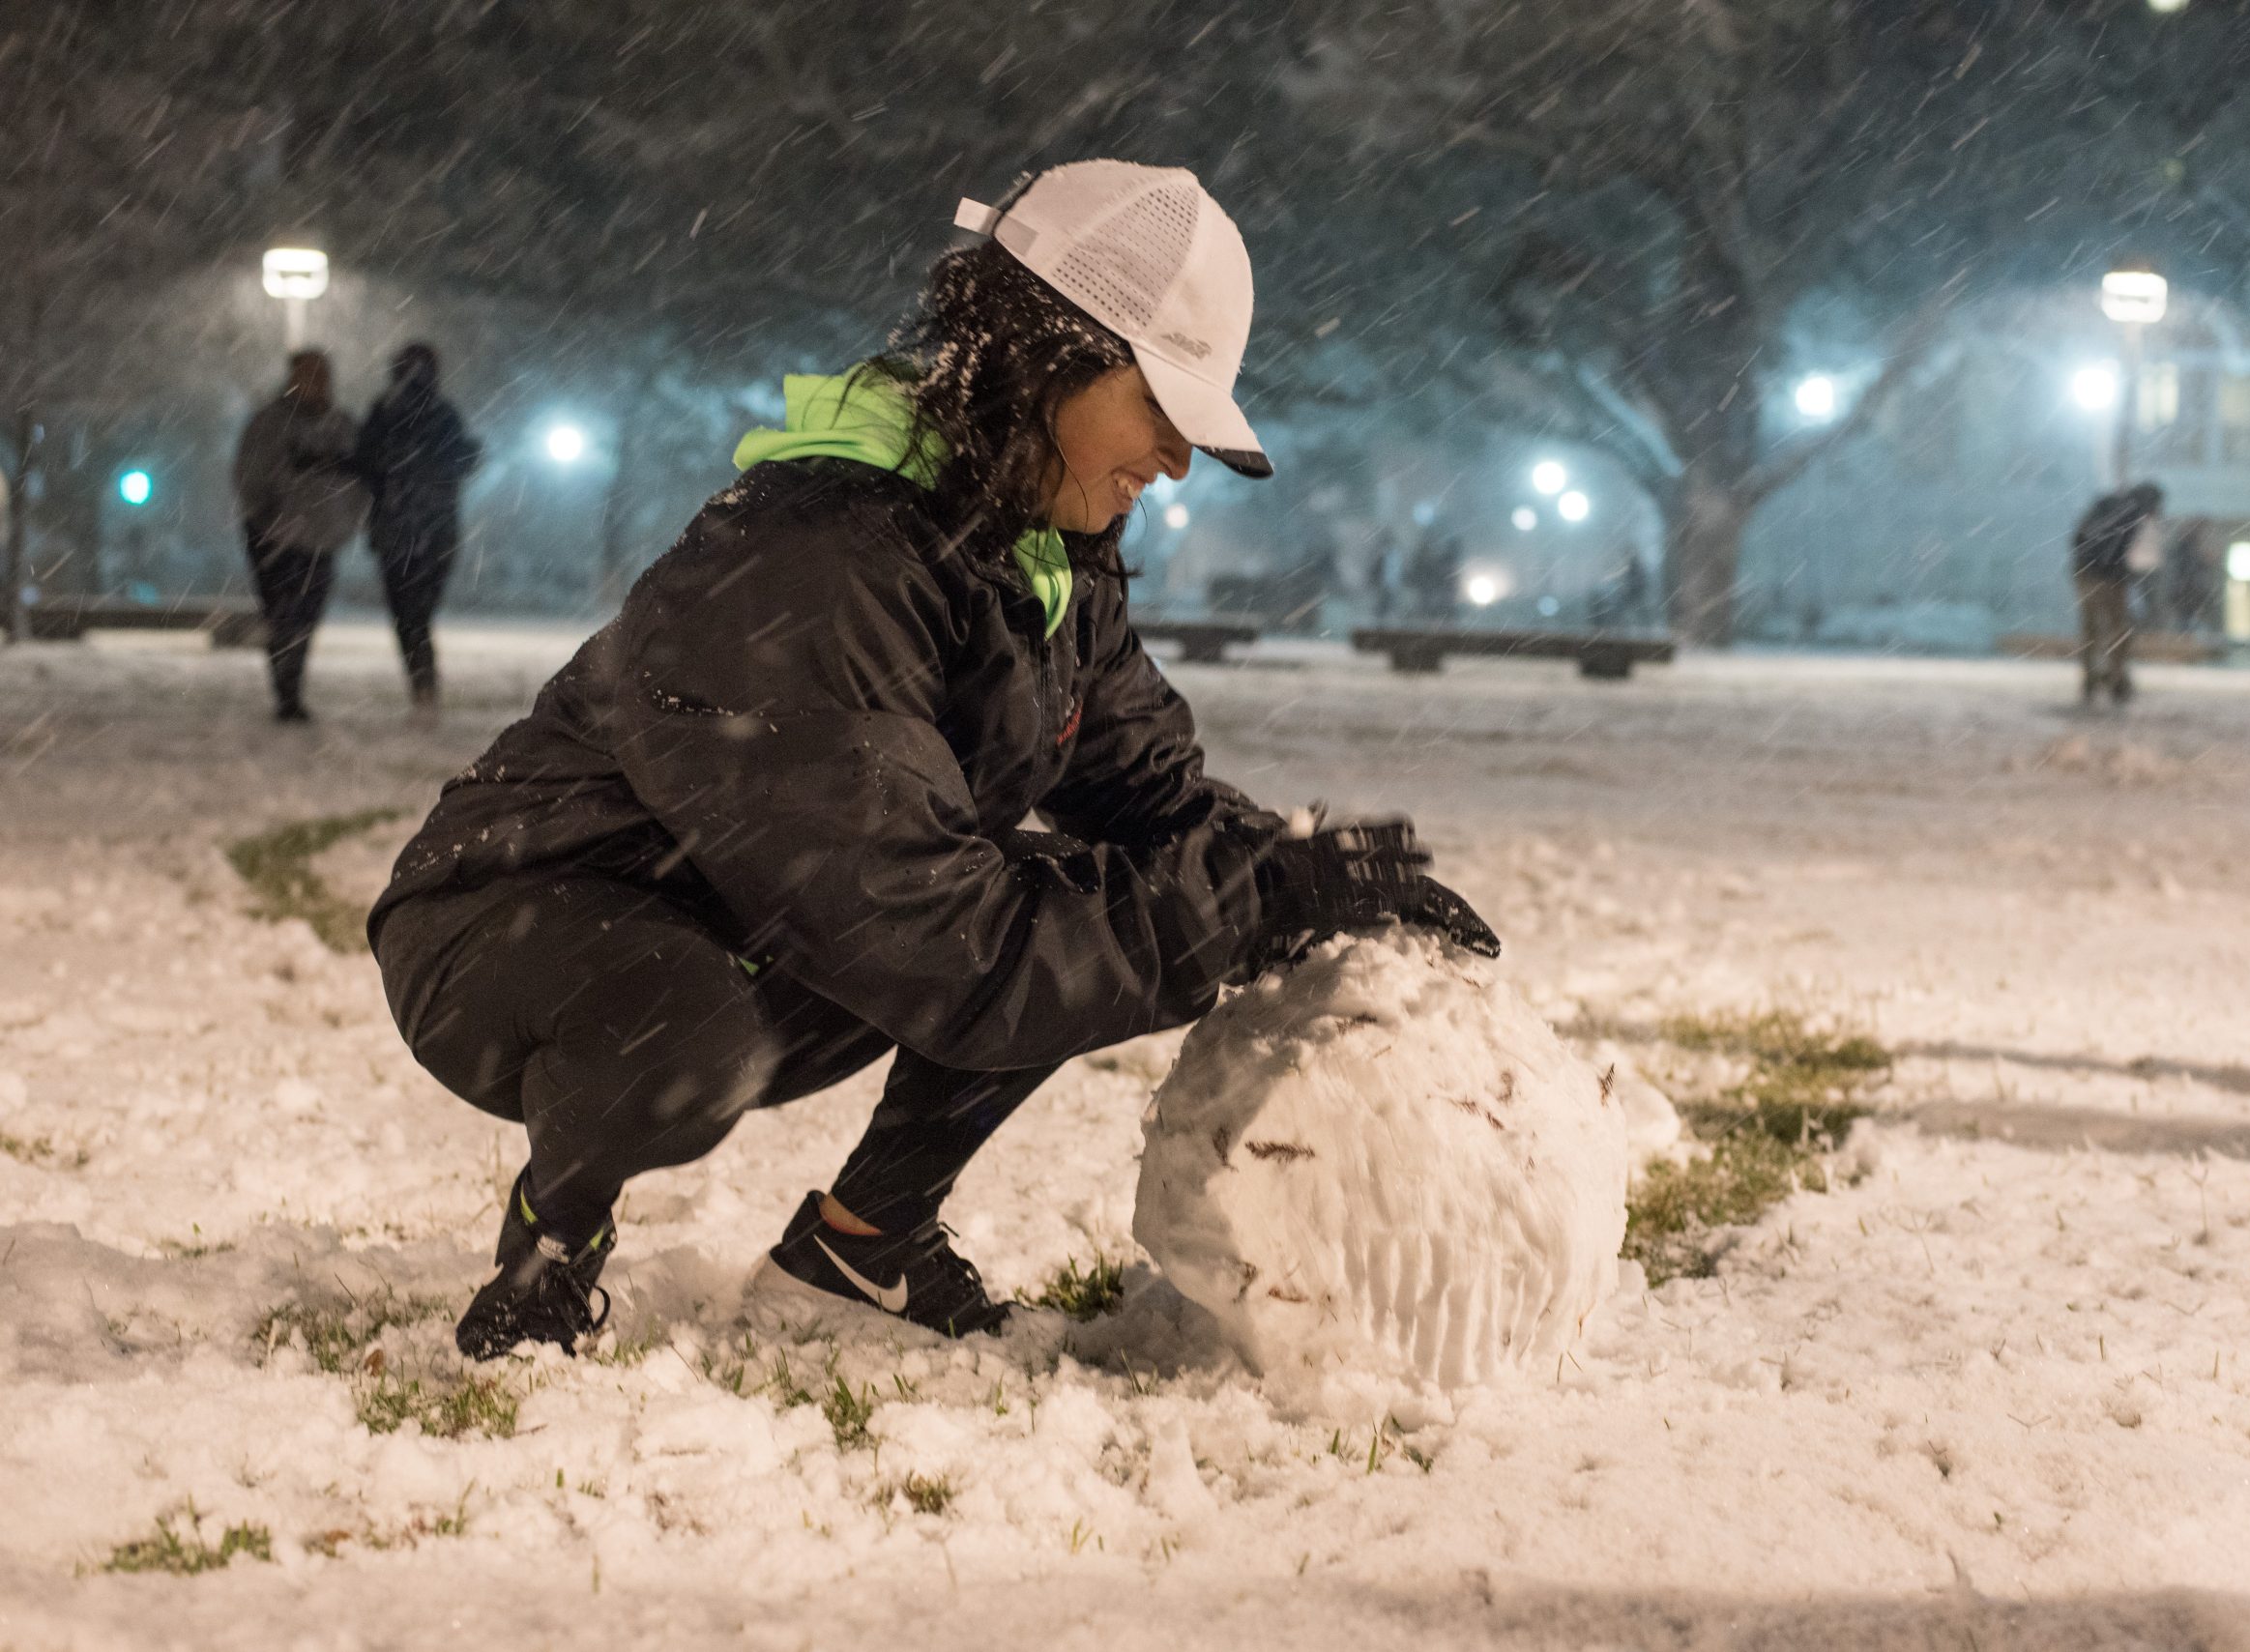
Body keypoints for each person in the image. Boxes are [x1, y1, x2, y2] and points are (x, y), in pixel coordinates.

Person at [367, 160, 1498, 1361]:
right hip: (520, 918)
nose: (1174, 460)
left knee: (1087, 905)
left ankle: (865, 1243)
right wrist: (1231, 903)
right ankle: (555, 1237)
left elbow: (1147, 799)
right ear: (1046, 355)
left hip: (772, 917)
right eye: (1161, 407)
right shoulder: (820, 561)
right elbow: (943, 944)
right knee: (706, 1024)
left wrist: (1294, 871)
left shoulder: (1039, 546)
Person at [232, 351, 365, 722]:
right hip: (274, 537)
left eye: (321, 374)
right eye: (309, 374)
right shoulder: (270, 423)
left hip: (320, 539)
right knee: (282, 615)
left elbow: (358, 478)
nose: (316, 382)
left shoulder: (341, 426)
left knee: (305, 616)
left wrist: (347, 522)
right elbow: (250, 474)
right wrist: (266, 515)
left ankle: (291, 686)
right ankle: (286, 690)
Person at [355, 343, 482, 714]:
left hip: (421, 528)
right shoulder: (397, 413)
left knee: (413, 614)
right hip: (409, 528)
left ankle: (422, 682)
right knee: (412, 613)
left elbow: (368, 463)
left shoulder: (430, 414)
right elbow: (368, 463)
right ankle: (422, 682)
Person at [2067, 480, 2162, 705]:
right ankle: (2115, 680)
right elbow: (2112, 545)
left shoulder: (2111, 505)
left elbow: (2082, 536)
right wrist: (2115, 570)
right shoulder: (2131, 513)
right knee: (2117, 630)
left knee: (2093, 629)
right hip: (2104, 575)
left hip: (2088, 571)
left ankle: (2093, 679)